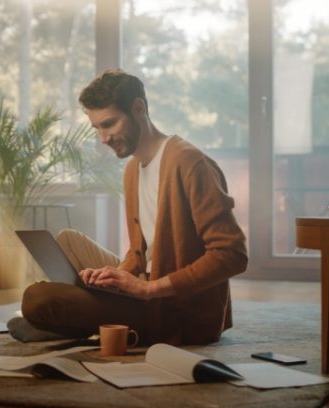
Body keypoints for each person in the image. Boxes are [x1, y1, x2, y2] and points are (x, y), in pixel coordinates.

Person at [19, 69, 248, 345]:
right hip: (144, 283)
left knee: (38, 299)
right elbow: (140, 252)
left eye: (110, 124)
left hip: (174, 309)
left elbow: (232, 254)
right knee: (68, 240)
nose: (103, 138)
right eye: (97, 128)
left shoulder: (189, 163)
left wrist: (149, 288)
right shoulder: (132, 170)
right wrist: (118, 276)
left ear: (139, 108)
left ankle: (81, 313)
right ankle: (90, 305)